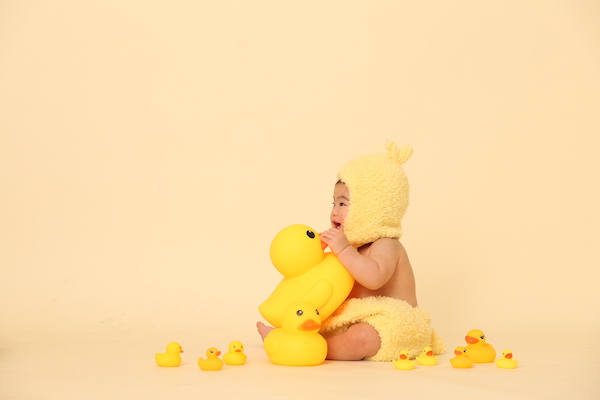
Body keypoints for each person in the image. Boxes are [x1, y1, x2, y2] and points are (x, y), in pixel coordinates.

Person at [258, 141, 444, 361]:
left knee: (363, 337)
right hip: (358, 318)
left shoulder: (386, 244)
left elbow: (374, 278)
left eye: (343, 204)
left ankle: (312, 348)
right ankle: (290, 336)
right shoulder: (351, 247)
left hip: (393, 322)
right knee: (317, 321)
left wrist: (344, 249)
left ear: (371, 208)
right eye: (333, 204)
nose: (334, 212)